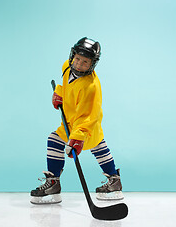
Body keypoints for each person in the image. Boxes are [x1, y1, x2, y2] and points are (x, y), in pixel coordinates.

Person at [30, 37, 124, 204]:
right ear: (72, 56)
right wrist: (59, 93)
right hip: (70, 123)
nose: (79, 64)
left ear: (92, 64)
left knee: (97, 145)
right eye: (78, 59)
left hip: (86, 127)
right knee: (55, 140)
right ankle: (53, 183)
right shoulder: (67, 67)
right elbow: (66, 86)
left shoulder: (91, 87)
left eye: (85, 62)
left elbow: (89, 116)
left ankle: (114, 181)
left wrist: (78, 137)